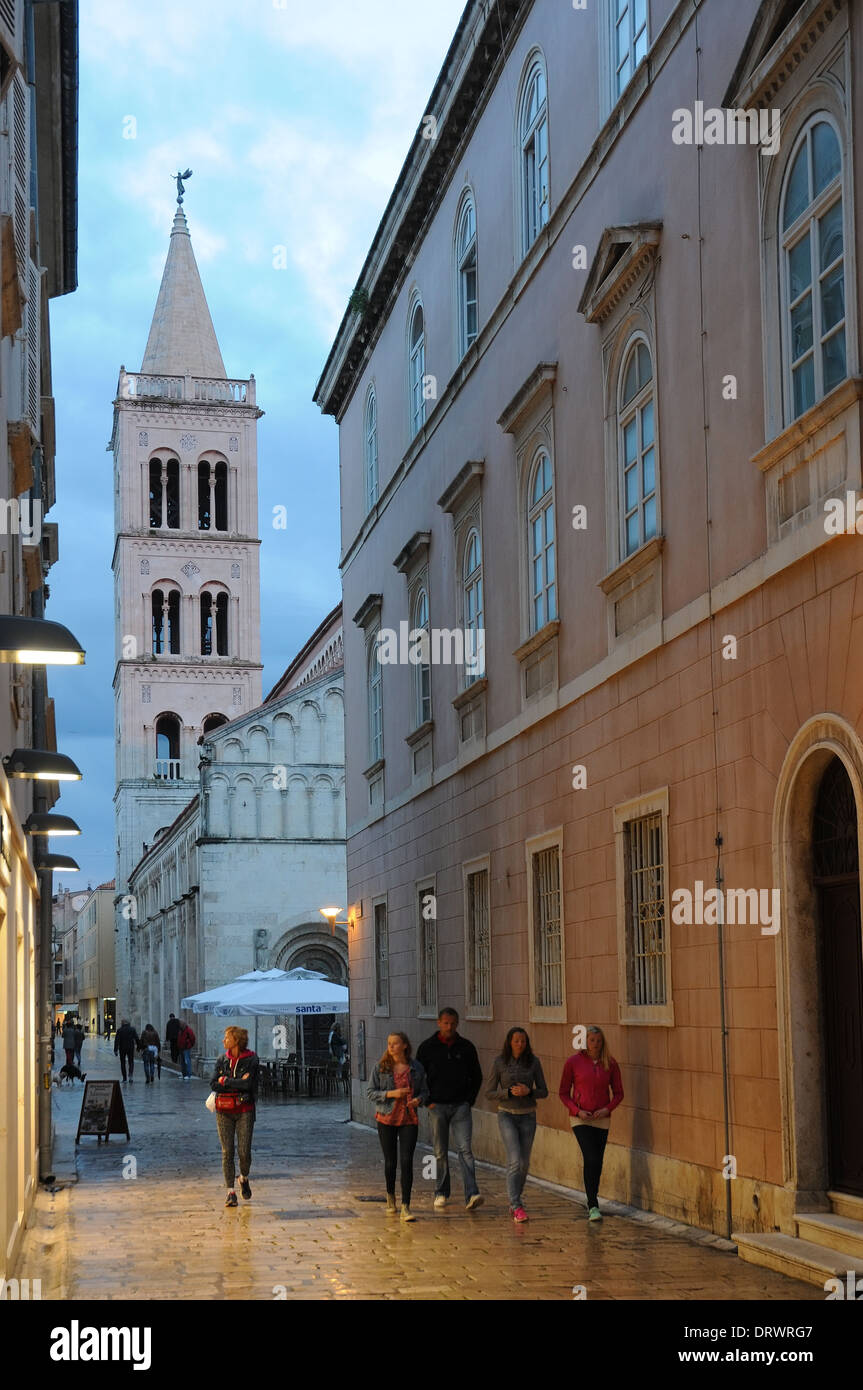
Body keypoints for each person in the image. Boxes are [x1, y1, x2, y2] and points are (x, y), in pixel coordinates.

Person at [417, 1007, 483, 1210]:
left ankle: (472, 1194)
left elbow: (477, 1076)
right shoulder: (427, 1047)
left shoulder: (466, 1047)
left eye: (453, 1023)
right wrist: (427, 1101)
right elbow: (418, 1076)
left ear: (457, 1024)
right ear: (439, 1023)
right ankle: (441, 1192)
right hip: (437, 1106)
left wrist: (469, 1100)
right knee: (440, 1152)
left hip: (460, 1106)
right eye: (446, 1023)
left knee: (465, 1150)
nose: (449, 1027)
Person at [559, 1025, 624, 1221]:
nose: (595, 1044)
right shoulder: (573, 1062)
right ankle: (592, 1204)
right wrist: (577, 1110)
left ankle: (592, 1196)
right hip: (580, 1118)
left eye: (598, 1040)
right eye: (591, 1040)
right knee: (591, 1158)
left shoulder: (610, 1064)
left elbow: (619, 1093)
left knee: (598, 1161)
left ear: (602, 1042)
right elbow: (563, 1092)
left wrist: (607, 1109)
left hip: (602, 1119)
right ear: (585, 1041)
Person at [485, 1026, 548, 1223]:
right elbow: (489, 1093)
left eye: (523, 1041)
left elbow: (544, 1091)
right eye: (516, 1041)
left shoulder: (534, 1062)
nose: (520, 1044)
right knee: (515, 1161)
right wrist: (509, 1093)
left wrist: (529, 1091)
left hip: (528, 1115)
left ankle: (516, 1199)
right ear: (509, 1043)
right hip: (507, 1115)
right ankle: (516, 1205)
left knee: (525, 1163)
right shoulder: (499, 1062)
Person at [367, 1032, 429, 1221]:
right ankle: (390, 1196)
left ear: (404, 1045)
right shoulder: (381, 1067)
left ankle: (406, 1206)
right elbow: (371, 1092)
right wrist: (392, 1094)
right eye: (389, 1044)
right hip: (386, 1118)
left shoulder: (416, 1068)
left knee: (407, 1161)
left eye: (395, 1043)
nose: (391, 1047)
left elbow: (426, 1091)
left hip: (409, 1118)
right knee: (391, 1161)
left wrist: (419, 1100)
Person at [211, 1026, 260, 1208]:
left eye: (226, 1037)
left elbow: (249, 1084)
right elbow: (213, 1084)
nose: (223, 1040)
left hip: (244, 1109)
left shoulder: (252, 1060)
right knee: (227, 1152)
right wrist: (235, 1083)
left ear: (236, 1040)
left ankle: (244, 1177)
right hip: (223, 1110)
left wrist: (227, 1081)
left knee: (244, 1152)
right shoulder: (222, 1060)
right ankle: (230, 1192)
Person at [114, 1018, 139, 1083]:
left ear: (122, 1023)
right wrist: (139, 1047)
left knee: (123, 1063)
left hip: (122, 1048)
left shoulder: (119, 1030)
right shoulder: (132, 1029)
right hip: (130, 1048)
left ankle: (124, 1078)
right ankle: (130, 1075)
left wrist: (115, 1050)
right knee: (131, 1062)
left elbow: (117, 1040)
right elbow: (136, 1038)